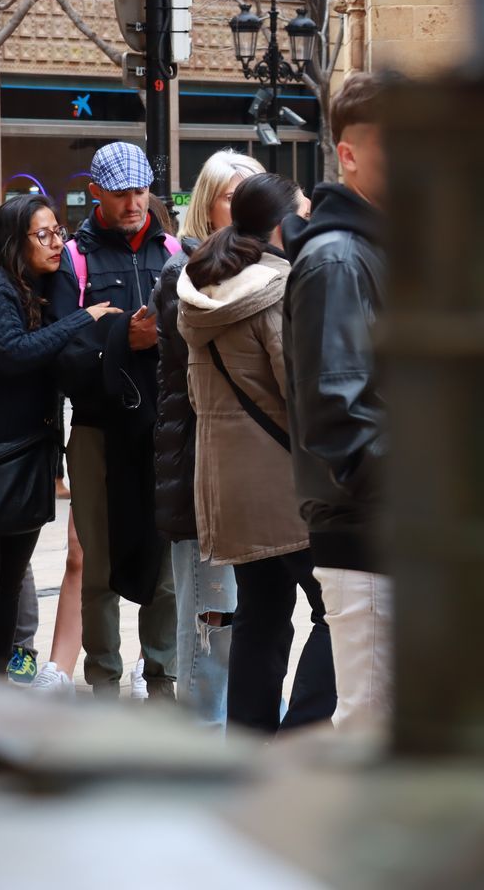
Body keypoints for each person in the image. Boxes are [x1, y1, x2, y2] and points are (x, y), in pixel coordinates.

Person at [179, 173, 334, 734]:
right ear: (279, 224)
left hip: (227, 484)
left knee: (261, 618)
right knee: (339, 610)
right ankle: (299, 737)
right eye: (302, 215)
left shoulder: (201, 288)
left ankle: (249, 747)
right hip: (285, 485)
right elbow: (303, 395)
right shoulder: (277, 289)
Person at [0, 195, 117, 674]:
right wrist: (85, 317)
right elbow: (14, 353)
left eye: (58, 231)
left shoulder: (34, 284)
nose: (56, 242)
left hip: (27, 457)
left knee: (8, 581)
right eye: (44, 235)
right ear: (15, 239)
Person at [46, 142, 182, 700]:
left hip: (165, 428)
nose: (133, 202)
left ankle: (161, 675)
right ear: (95, 192)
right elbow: (62, 350)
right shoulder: (73, 259)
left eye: (141, 189)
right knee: (95, 561)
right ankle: (103, 678)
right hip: (98, 429)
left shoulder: (174, 250)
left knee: (166, 565)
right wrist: (122, 339)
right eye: (121, 192)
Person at [282, 73, 393, 733]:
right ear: (348, 153)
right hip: (370, 534)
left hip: (395, 532)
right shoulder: (338, 260)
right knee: (371, 735)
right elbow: (341, 422)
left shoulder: (375, 250)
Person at [153, 149, 263, 724]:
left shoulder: (256, 269)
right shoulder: (186, 273)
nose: (242, 208)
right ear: (207, 204)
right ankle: (202, 739)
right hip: (202, 471)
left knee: (241, 618)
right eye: (231, 196)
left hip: (244, 476)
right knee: (207, 619)